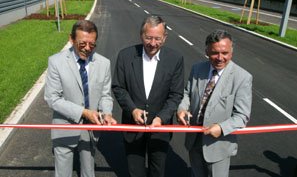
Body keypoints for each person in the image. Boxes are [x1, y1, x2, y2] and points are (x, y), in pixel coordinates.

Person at [112, 15, 184, 177]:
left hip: (160, 129)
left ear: (165, 38)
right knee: (134, 171)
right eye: (148, 38)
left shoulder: (175, 59)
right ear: (141, 35)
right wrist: (132, 110)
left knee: (157, 171)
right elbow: (118, 87)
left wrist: (161, 118)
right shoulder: (125, 56)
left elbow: (176, 94)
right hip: (133, 126)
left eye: (157, 38)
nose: (152, 43)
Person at [44, 20, 116, 177]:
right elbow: (52, 98)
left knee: (88, 172)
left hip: (90, 128)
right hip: (64, 126)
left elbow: (105, 95)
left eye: (92, 45)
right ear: (71, 39)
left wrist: (107, 113)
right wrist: (83, 112)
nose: (88, 49)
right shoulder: (56, 62)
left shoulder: (104, 63)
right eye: (82, 44)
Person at [177, 30, 252, 177]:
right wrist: (182, 109)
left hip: (218, 145)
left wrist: (221, 128)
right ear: (206, 51)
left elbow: (242, 116)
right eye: (214, 53)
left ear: (231, 52)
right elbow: (187, 93)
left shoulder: (242, 77)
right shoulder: (197, 69)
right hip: (194, 139)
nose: (220, 58)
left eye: (225, 53)